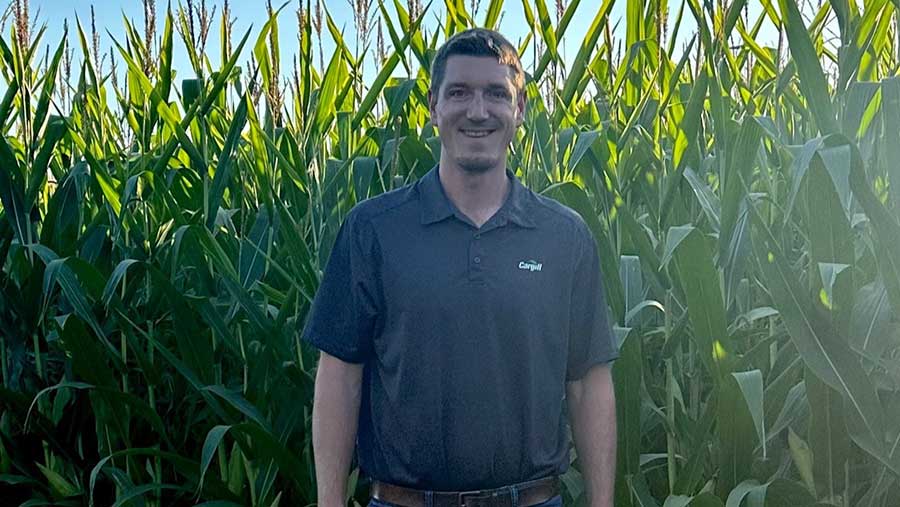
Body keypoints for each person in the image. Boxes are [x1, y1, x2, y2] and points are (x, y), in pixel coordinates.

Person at [302, 28, 618, 507]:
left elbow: (587, 384)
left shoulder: (564, 237)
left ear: (520, 109)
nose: (477, 111)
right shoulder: (373, 230)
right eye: (459, 93)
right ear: (433, 107)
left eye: (496, 94)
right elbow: (340, 377)